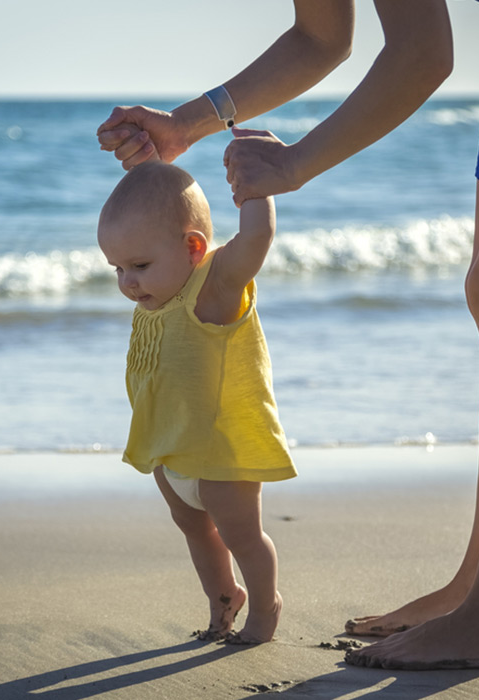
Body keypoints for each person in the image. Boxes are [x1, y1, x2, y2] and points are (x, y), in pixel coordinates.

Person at [97, 0, 479, 670]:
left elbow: (422, 54)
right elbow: (321, 37)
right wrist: (185, 125)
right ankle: (478, 587)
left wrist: (294, 165)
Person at [97, 159, 296, 644]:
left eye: (139, 266)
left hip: (222, 453)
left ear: (193, 248)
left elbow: (256, 239)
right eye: (118, 269)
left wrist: (256, 187)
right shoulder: (156, 297)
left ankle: (265, 606)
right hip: (170, 451)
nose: (127, 282)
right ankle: (223, 597)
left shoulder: (213, 289)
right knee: (194, 530)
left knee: (241, 537)